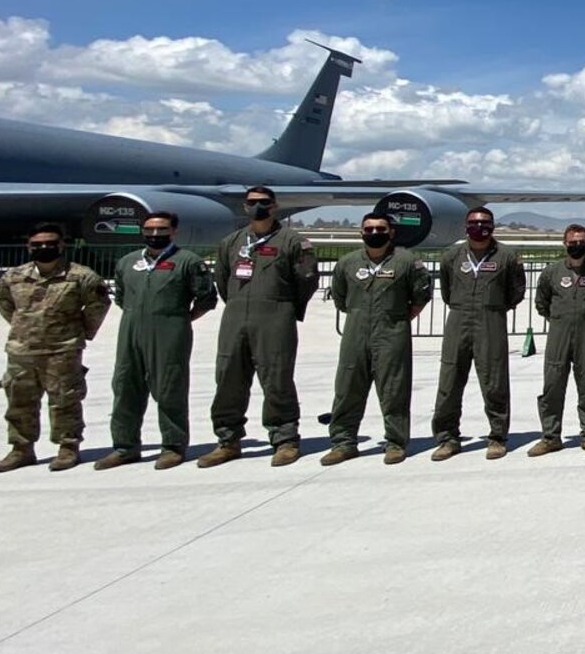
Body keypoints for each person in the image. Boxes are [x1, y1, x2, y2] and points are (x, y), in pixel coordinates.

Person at [202, 186, 318, 467]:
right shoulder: (231, 242)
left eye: (264, 202)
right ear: (245, 207)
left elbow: (307, 280)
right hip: (236, 316)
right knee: (228, 377)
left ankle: (285, 439)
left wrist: (286, 308)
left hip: (275, 316)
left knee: (277, 378)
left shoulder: (293, 242)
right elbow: (222, 279)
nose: (258, 207)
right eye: (252, 202)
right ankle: (228, 440)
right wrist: (238, 304)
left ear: (275, 206)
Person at [100, 211, 216, 471]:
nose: (155, 235)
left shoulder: (187, 261)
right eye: (149, 230)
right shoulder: (128, 262)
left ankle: (173, 446)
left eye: (161, 229)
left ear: (174, 231)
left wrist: (180, 319)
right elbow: (121, 296)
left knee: (169, 388)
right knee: (124, 386)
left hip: (171, 330)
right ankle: (124, 446)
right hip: (131, 331)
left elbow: (206, 298)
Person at [0, 222, 110, 473]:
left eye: (50, 243)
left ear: (61, 245)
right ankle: (21, 449)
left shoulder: (81, 276)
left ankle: (68, 448)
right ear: (28, 246)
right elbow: (4, 304)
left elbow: (98, 305)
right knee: (19, 402)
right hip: (22, 352)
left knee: (65, 401)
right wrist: (23, 328)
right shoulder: (13, 276)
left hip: (62, 350)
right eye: (37, 244)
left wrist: (82, 332)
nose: (43, 248)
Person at [324, 211, 432, 465]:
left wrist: (395, 319)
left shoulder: (406, 262)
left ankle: (395, 443)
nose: (375, 233)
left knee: (394, 389)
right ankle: (343, 442)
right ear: (361, 232)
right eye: (369, 229)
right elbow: (340, 298)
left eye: (381, 229)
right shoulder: (348, 263)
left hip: (392, 333)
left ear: (391, 232)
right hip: (355, 333)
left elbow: (420, 296)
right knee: (347, 388)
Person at [431, 206, 527, 460]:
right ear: (466, 226)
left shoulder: (507, 256)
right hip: (458, 320)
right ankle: (447, 438)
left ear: (493, 226)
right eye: (474, 222)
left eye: (484, 222)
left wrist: (493, 307)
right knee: (449, 382)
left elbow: (516, 291)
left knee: (494, 381)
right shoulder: (452, 255)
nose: (479, 226)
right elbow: (446, 291)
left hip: (491, 320)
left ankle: (497, 437)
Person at [532, 224, 585, 455]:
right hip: (558, 335)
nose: (578, 245)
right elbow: (542, 302)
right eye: (573, 242)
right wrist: (559, 319)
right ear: (565, 243)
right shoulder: (552, 272)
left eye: (582, 241)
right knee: (552, 385)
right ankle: (550, 436)